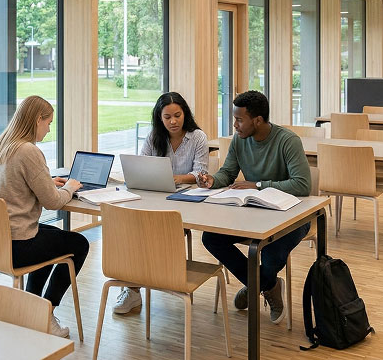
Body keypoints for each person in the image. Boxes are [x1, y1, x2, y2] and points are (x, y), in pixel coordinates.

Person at [198, 90, 311, 325]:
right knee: (211, 238)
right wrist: (212, 180)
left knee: (270, 252)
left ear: (257, 120)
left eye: (239, 120)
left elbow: (302, 185)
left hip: (292, 216)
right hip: (253, 213)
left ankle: (255, 284)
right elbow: (228, 172)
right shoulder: (239, 140)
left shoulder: (288, 141)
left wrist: (258, 185)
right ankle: (266, 285)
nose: (235, 125)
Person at [0, 95, 88, 339]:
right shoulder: (28, 151)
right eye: (48, 123)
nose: (49, 129)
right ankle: (45, 311)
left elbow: (12, 182)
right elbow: (53, 202)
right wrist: (70, 187)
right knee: (79, 244)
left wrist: (46, 182)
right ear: (38, 119)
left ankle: (31, 309)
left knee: (52, 240)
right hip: (16, 246)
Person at [113, 91, 209, 315]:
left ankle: (145, 283)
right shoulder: (154, 137)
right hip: (154, 199)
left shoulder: (198, 137)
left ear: (185, 114)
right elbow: (140, 165)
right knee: (131, 228)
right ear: (159, 117)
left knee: (147, 232)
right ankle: (132, 290)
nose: (173, 121)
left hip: (185, 203)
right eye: (167, 117)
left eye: (177, 115)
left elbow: (201, 172)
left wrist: (178, 178)